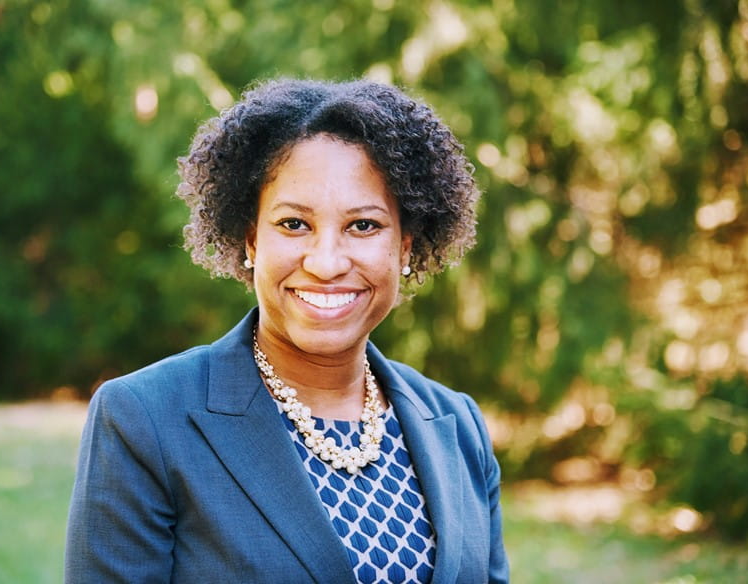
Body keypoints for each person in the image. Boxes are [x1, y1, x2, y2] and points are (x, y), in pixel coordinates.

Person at [65, 78, 509, 583]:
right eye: (294, 224)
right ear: (251, 240)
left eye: (363, 225)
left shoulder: (458, 425)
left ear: (405, 248)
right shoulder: (146, 420)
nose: (325, 263)